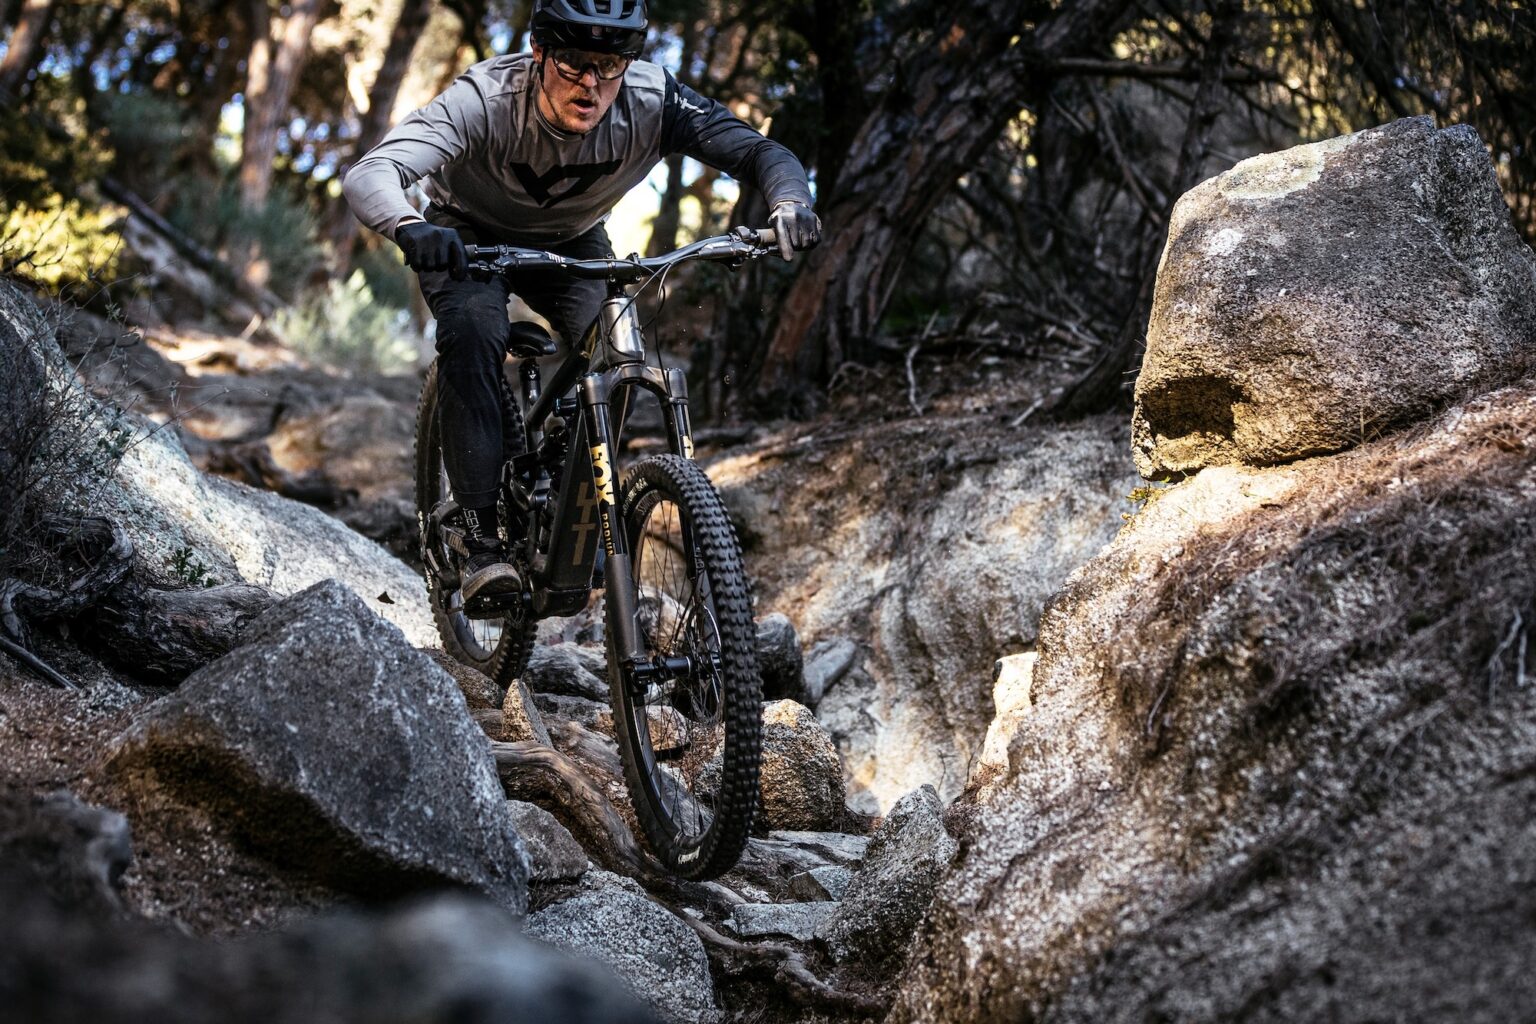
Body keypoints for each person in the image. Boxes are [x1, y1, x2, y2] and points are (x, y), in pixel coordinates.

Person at [342, 0, 819, 602]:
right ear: (539, 51)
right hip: (465, 234)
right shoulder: (483, 99)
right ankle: (479, 535)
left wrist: (790, 202)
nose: (592, 84)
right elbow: (372, 173)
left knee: (619, 343)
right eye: (572, 63)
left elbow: (759, 152)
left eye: (611, 62)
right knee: (473, 331)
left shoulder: (654, 99)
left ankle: (574, 501)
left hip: (572, 240)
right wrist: (412, 228)